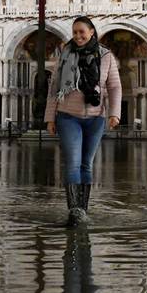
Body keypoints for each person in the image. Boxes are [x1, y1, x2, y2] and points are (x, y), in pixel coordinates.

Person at [45, 16, 122, 227]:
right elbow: (54, 87)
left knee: (86, 165)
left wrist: (115, 113)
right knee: (72, 163)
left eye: (82, 32)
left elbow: (114, 86)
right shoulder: (65, 55)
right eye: (75, 32)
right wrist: (50, 117)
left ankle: (83, 210)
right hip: (67, 115)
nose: (78, 36)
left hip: (95, 117)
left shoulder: (106, 56)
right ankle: (74, 212)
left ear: (91, 32)